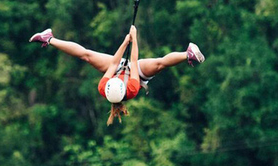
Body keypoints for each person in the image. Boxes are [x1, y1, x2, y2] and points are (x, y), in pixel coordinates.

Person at [29, 25, 205, 125]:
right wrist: (134, 38)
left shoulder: (103, 87)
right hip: (137, 72)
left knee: (87, 56)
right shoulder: (132, 88)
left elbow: (114, 63)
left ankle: (48, 39)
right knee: (159, 64)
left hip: (119, 66)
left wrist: (124, 41)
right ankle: (187, 54)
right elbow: (134, 61)